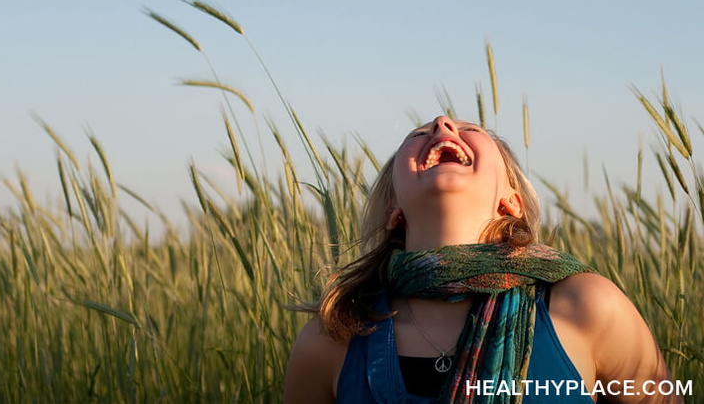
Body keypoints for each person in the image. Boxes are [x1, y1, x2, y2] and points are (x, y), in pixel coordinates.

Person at [283, 116, 678, 403]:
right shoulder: (332, 337)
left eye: (471, 130)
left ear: (512, 202)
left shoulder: (587, 306)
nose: (441, 125)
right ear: (394, 209)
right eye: (419, 134)